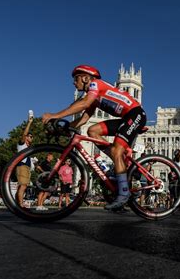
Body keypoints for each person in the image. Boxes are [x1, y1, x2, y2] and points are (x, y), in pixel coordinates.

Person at [42, 65, 147, 210]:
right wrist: (64, 127)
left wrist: (55, 115)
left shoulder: (95, 84)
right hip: (125, 118)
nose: (74, 82)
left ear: (85, 78)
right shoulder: (95, 98)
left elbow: (83, 103)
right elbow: (83, 119)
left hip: (136, 115)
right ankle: (118, 161)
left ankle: (124, 193)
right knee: (92, 131)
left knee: (117, 151)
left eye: (76, 78)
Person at [15, 114, 33, 208]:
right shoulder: (22, 144)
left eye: (32, 136)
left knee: (22, 185)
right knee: (23, 186)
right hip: (22, 166)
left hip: (26, 167)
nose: (31, 137)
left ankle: (16, 203)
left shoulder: (28, 147)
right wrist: (29, 122)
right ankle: (21, 204)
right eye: (30, 136)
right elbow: (24, 134)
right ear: (26, 138)